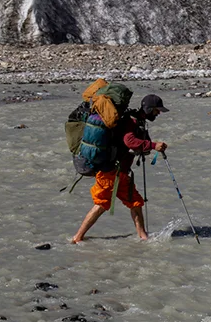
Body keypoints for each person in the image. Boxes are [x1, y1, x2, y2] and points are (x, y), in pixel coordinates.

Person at [71, 94, 170, 243]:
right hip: (110, 171)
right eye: (157, 110)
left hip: (121, 172)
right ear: (149, 109)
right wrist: (153, 145)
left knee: (135, 202)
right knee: (101, 205)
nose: (159, 113)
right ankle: (77, 238)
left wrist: (148, 145)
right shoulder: (130, 121)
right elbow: (129, 141)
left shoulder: (138, 121)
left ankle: (143, 238)